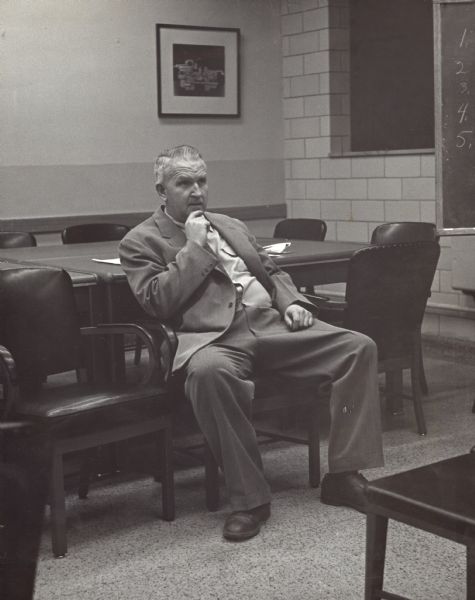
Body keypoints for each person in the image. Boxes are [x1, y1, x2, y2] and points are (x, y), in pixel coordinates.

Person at [119, 145, 384, 542]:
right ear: (161, 190)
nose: (196, 191)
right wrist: (193, 248)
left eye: (202, 181)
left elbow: (270, 269)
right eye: (184, 182)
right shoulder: (140, 241)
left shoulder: (231, 224)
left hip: (271, 324)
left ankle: (344, 474)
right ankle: (250, 499)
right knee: (207, 374)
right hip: (213, 336)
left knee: (358, 347)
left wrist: (291, 301)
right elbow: (157, 301)